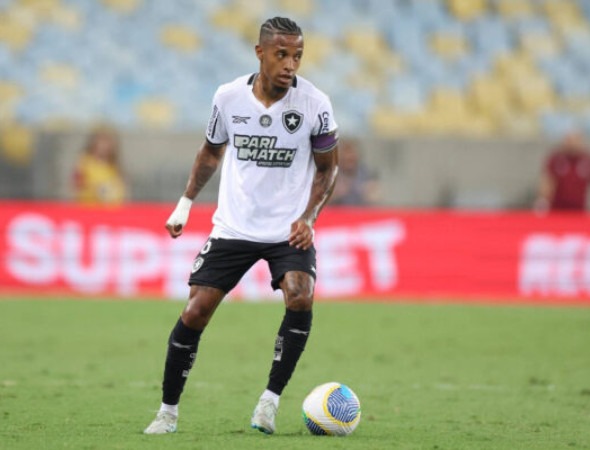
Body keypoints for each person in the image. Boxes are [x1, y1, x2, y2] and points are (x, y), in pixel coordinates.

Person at [143, 17, 339, 436]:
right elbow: (211, 152)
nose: (290, 65)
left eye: (298, 56)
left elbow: (328, 168)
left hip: (288, 229)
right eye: (282, 54)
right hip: (233, 226)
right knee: (195, 311)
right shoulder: (228, 97)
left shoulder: (315, 104)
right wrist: (185, 203)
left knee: (300, 296)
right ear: (260, 53)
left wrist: (308, 218)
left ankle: (269, 402)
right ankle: (167, 413)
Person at [534, 131, 590, 212]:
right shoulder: (556, 159)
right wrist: (542, 202)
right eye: (569, 140)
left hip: (580, 211)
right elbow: (548, 183)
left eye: (575, 140)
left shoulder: (588, 160)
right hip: (557, 211)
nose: (572, 144)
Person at [72, 125, 126, 204]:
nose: (104, 146)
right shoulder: (85, 161)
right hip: (87, 207)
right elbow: (77, 183)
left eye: (107, 142)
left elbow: (120, 188)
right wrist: (96, 189)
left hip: (109, 210)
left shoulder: (114, 165)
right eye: (102, 141)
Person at [329, 137, 380, 206]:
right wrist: (335, 193)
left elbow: (376, 198)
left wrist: (367, 192)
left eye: (351, 156)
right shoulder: (331, 174)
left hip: (360, 213)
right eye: (345, 155)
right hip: (338, 213)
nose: (348, 157)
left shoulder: (367, 173)